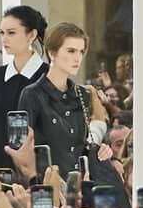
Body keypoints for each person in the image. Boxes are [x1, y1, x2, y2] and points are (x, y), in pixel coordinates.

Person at [17, 21, 94, 181]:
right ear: (52, 53)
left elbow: (80, 145)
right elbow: (22, 147)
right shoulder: (32, 95)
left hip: (79, 184)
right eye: (71, 51)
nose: (77, 58)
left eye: (81, 51)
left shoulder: (82, 95)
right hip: (46, 183)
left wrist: (100, 150)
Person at [0, 5, 47, 161]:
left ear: (31, 35)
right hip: (0, 166)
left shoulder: (47, 76)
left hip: (37, 166)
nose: (4, 39)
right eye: (2, 33)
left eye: (11, 33)